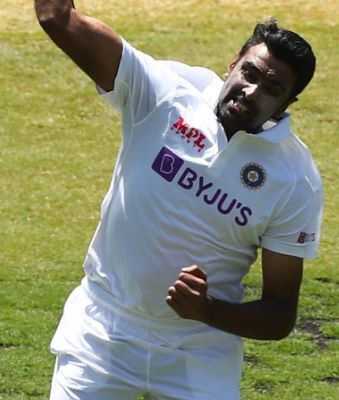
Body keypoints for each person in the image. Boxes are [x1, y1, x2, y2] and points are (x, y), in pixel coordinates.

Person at [34, 1, 323, 399]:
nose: (251, 91)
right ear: (232, 63)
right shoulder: (164, 95)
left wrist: (206, 310)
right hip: (103, 333)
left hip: (199, 351)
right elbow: (58, 19)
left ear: (287, 104)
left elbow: (279, 314)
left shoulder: (294, 180)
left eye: (272, 89)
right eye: (249, 73)